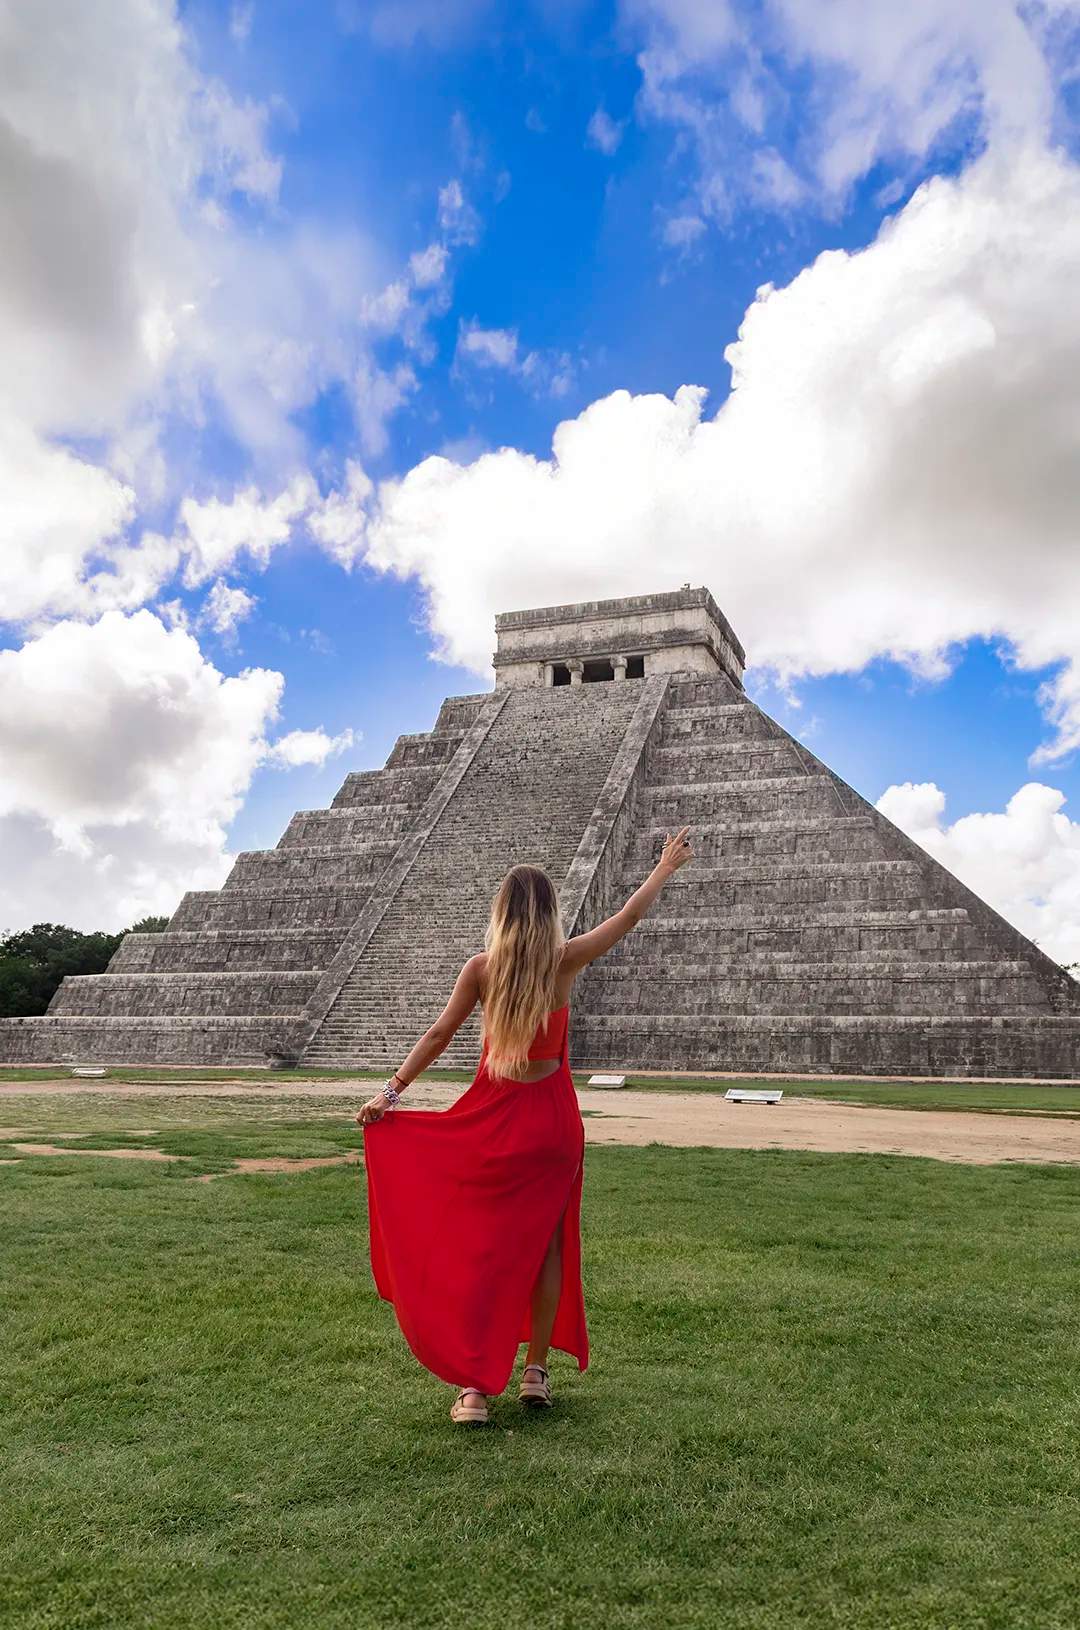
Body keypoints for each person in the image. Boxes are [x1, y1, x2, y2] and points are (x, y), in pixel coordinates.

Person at [356, 824, 694, 1424]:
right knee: (547, 1249)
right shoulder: (566, 960)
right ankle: (535, 1373)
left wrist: (391, 1093)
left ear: (502, 913)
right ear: (550, 914)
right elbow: (627, 919)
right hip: (553, 1131)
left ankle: (474, 1388)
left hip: (496, 1125)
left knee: (483, 1250)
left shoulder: (482, 970)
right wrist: (664, 867)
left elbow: (439, 1035)